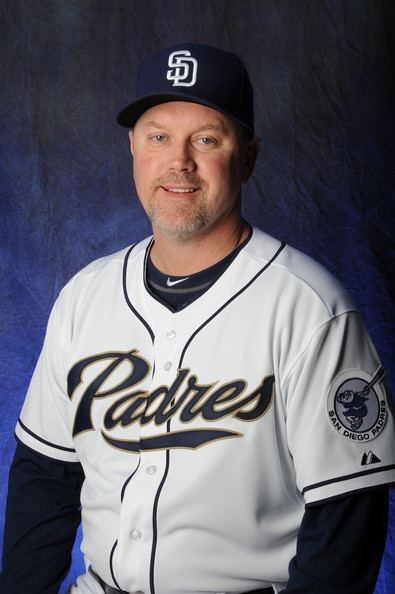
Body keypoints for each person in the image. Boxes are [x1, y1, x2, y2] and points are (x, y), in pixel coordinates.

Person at [1, 43, 394, 594]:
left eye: (206, 139)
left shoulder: (309, 308)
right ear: (133, 147)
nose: (178, 162)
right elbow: (45, 476)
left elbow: (347, 520)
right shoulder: (84, 296)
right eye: (158, 136)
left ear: (249, 156)